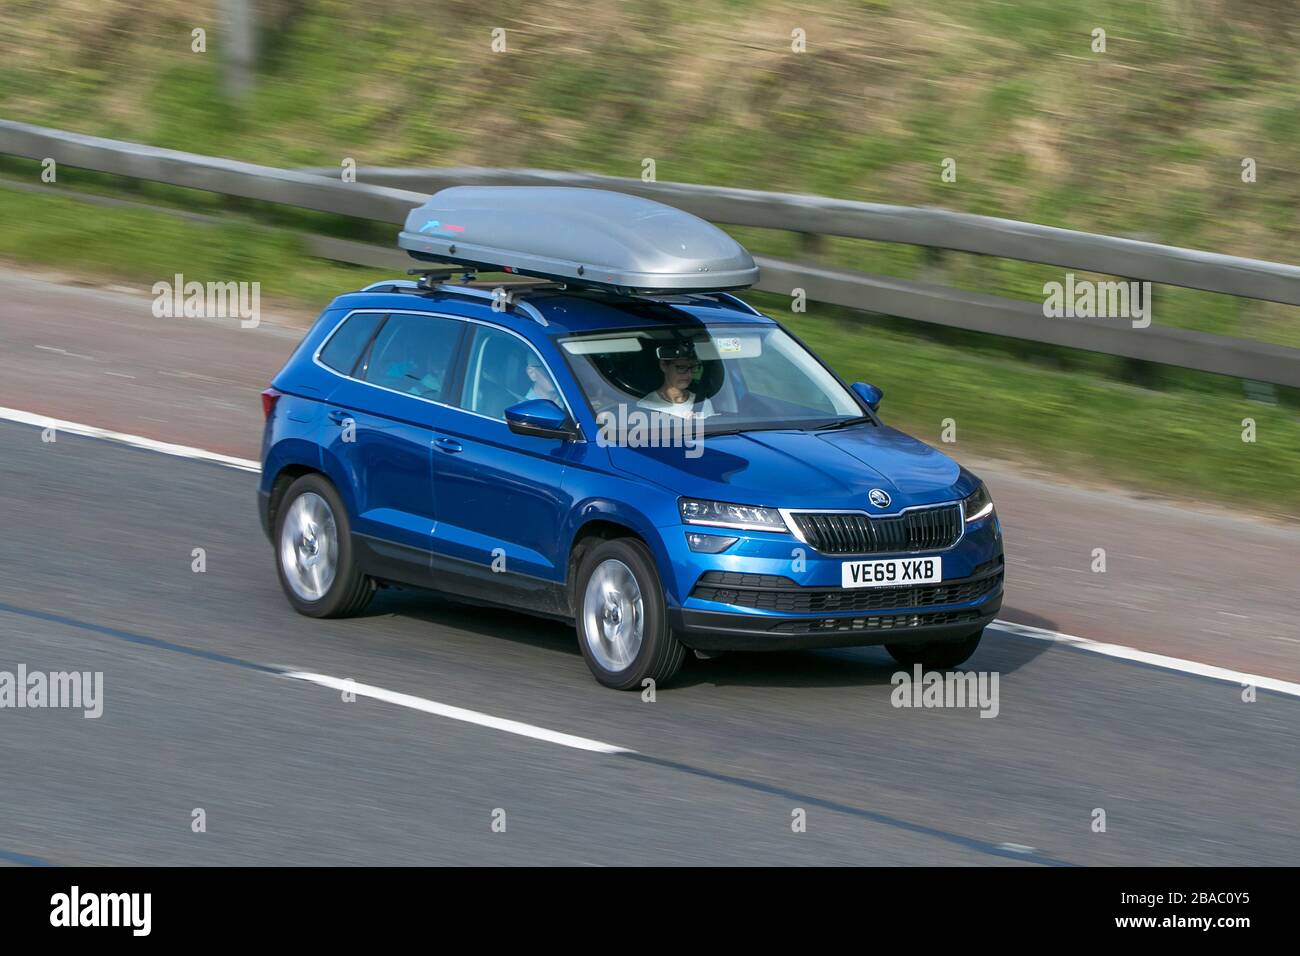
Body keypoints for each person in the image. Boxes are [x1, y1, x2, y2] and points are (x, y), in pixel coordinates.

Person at [638, 345, 714, 420]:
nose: (689, 374)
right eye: (681, 367)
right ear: (663, 366)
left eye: (693, 367)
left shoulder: (703, 403)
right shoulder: (646, 406)